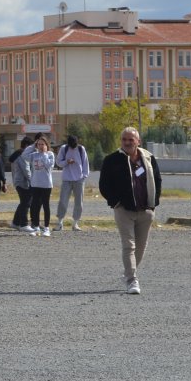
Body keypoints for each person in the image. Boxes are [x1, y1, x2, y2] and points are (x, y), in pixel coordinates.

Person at [99, 126, 162, 295]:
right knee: (129, 245)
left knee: (141, 247)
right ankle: (132, 279)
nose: (127, 142)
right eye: (124, 139)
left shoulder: (148, 158)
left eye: (131, 140)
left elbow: (157, 180)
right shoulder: (111, 160)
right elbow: (104, 185)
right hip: (123, 210)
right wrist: (116, 202)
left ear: (138, 141)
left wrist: (153, 204)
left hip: (145, 210)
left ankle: (128, 272)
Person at [54, 135, 90, 231]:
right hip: (66, 179)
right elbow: (58, 162)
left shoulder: (81, 149)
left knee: (79, 202)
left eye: (74, 145)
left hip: (79, 179)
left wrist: (84, 176)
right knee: (62, 201)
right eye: (71, 145)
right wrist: (66, 161)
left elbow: (85, 163)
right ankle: (60, 223)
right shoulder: (64, 148)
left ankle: (75, 223)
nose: (72, 147)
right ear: (68, 143)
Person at [25, 136, 55, 236]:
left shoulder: (50, 154)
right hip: (35, 184)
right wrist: (33, 146)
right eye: (39, 144)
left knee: (46, 206)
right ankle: (36, 227)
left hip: (46, 185)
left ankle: (46, 228)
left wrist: (44, 154)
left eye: (43, 144)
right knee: (35, 206)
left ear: (46, 145)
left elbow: (48, 165)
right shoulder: (33, 155)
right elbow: (24, 155)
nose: (41, 146)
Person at [9, 136, 34, 232]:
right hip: (23, 183)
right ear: (27, 146)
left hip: (19, 182)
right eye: (31, 147)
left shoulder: (19, 154)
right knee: (26, 203)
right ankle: (23, 224)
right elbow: (26, 170)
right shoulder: (22, 155)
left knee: (23, 203)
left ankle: (15, 223)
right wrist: (33, 181)